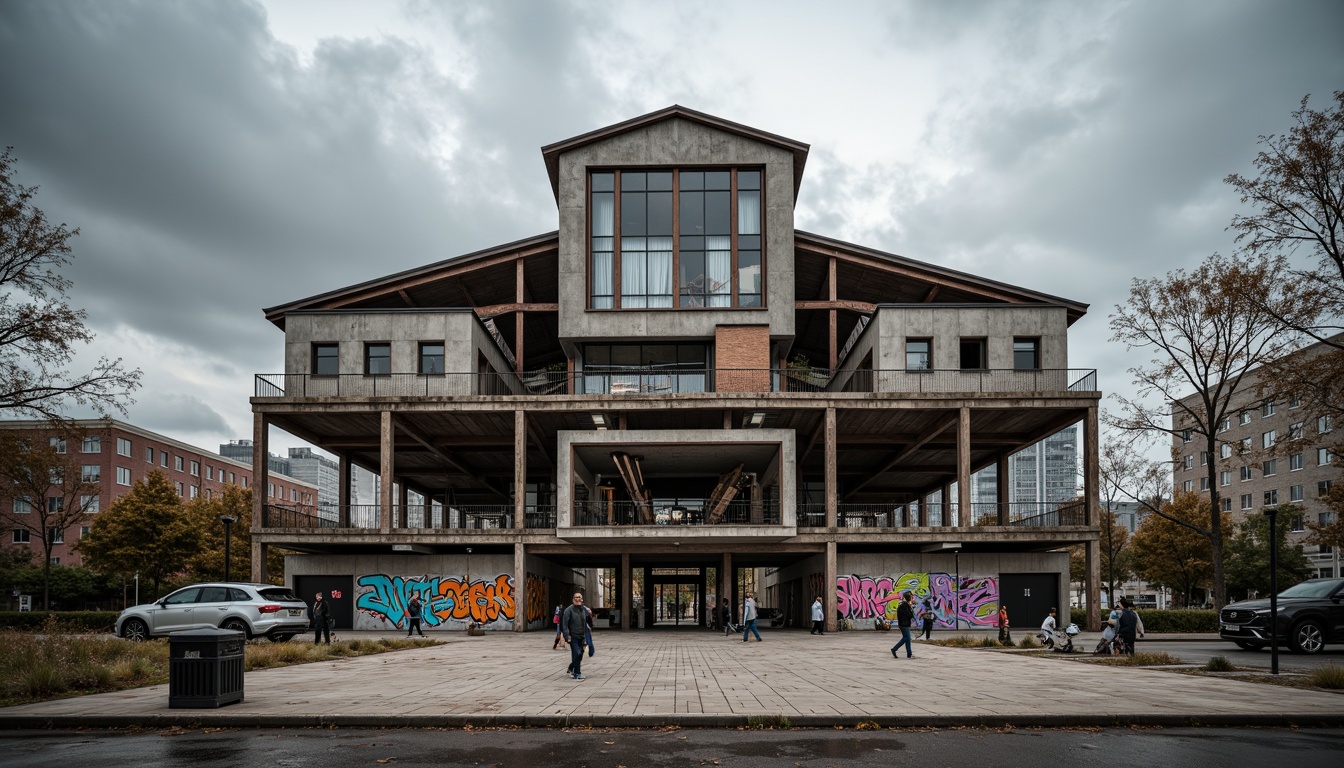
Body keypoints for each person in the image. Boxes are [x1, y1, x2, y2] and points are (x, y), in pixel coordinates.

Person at [561, 592, 591, 680]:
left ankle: (571, 668)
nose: (578, 599)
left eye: (579, 597)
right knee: (576, 653)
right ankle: (577, 673)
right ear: (573, 599)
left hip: (582, 636)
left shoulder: (583, 610)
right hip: (573, 636)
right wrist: (567, 636)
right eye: (576, 597)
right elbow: (565, 625)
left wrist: (586, 637)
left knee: (580, 655)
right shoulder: (569, 610)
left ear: (582, 599)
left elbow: (585, 624)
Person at [889, 592, 916, 658]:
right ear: (909, 598)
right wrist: (911, 607)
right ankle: (894, 649)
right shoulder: (904, 606)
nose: (913, 599)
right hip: (904, 625)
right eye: (912, 597)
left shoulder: (904, 605)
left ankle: (909, 654)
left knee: (907, 639)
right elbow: (910, 615)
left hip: (904, 624)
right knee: (906, 638)